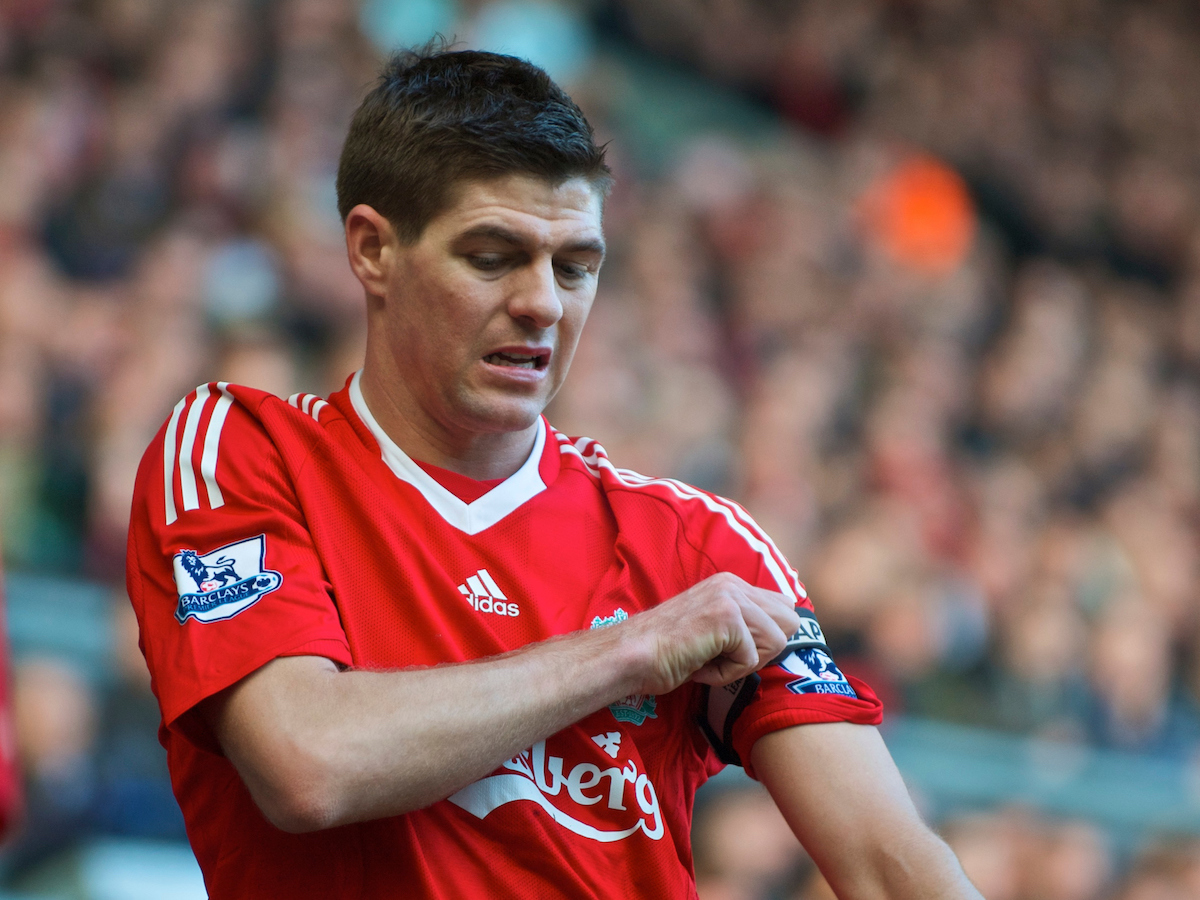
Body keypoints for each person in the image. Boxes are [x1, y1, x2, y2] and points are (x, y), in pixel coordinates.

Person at [126, 47, 982, 899]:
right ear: (373, 250)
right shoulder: (238, 451)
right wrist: (631, 650)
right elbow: (306, 761)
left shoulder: (698, 546)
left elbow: (888, 864)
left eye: (575, 267)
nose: (543, 304)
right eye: (493, 256)